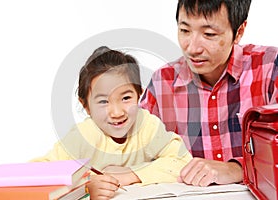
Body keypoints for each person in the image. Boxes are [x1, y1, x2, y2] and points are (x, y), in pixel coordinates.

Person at [140, 0, 278, 187]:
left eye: (209, 34)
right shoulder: (162, 81)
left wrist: (237, 168)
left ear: (239, 32)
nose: (192, 48)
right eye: (184, 30)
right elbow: (133, 151)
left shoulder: (270, 68)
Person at [32, 46, 192, 199]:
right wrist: (85, 187)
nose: (117, 112)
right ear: (86, 106)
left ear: (139, 95)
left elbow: (183, 161)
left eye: (126, 98)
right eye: (103, 101)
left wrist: (130, 175)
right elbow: (40, 174)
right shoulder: (84, 136)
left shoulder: (146, 126)